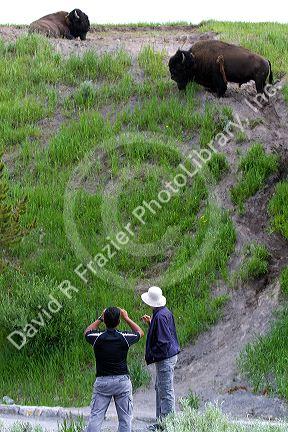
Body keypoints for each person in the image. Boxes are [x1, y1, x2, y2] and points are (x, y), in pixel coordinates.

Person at [84, 307, 144, 432]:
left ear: (105, 321)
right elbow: (140, 332)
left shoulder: (97, 337)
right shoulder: (124, 337)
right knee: (125, 419)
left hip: (102, 382)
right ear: (118, 322)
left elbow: (87, 332)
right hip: (122, 381)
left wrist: (100, 318)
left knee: (96, 417)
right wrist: (126, 317)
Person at [141, 287, 180, 431]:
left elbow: (163, 341)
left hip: (165, 358)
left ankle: (168, 425)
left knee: (165, 391)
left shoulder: (160, 316)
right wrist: (151, 324)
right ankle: (162, 423)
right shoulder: (162, 313)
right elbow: (164, 334)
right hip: (168, 356)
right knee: (161, 388)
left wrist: (152, 354)